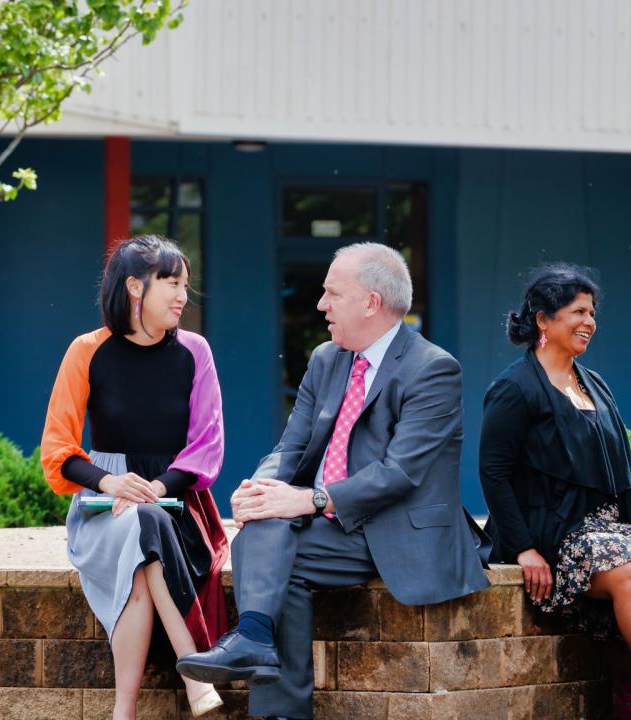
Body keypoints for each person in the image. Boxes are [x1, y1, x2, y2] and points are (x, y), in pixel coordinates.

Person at [176, 241, 490, 719]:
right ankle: (258, 645)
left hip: (395, 529)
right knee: (266, 531)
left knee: (269, 544)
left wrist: (307, 499)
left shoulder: (433, 369)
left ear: (370, 302)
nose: (320, 305)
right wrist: (262, 490)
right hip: (328, 526)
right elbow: (291, 448)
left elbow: (401, 473)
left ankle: (262, 660)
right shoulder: (327, 358)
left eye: (331, 294)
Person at [479, 263, 631, 720]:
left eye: (592, 312)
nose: (589, 322)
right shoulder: (515, 388)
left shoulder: (593, 384)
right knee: (628, 569)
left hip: (608, 524)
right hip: (554, 530)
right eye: (577, 311)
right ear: (543, 319)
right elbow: (494, 474)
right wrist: (523, 548)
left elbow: (614, 463)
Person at [41, 235, 228, 719]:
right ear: (134, 287)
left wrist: (157, 489)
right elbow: (58, 451)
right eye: (171, 282)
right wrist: (109, 482)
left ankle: (123, 714)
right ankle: (194, 673)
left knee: (145, 534)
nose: (183, 295)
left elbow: (206, 446)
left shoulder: (195, 351)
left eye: (186, 284)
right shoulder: (86, 350)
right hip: (105, 506)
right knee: (139, 530)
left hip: (178, 502)